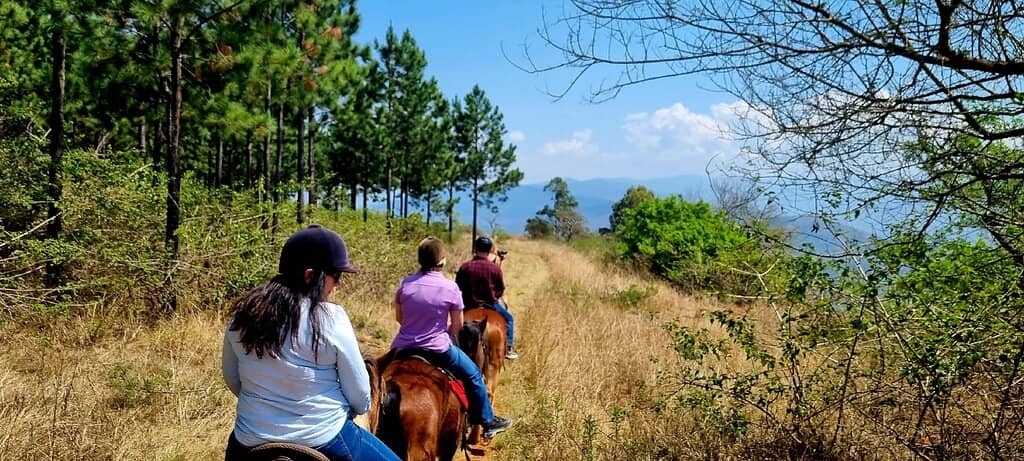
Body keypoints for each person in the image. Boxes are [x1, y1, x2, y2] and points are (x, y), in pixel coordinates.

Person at [221, 225, 400, 461]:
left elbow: (232, 378)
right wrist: (353, 410)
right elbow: (359, 393)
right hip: (326, 437)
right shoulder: (332, 317)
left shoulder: (243, 314)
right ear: (309, 275)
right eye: (336, 275)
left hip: (249, 439)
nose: (338, 284)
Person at [389, 236, 513, 438]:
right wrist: (438, 329)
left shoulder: (405, 284)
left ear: (420, 259)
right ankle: (487, 421)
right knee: (473, 374)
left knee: (376, 376)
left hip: (402, 347)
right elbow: (457, 327)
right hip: (438, 349)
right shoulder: (450, 288)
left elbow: (400, 319)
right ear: (442, 261)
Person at [455, 235, 519, 360]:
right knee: (509, 319)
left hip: (469, 305)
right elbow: (500, 288)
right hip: (491, 305)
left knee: (454, 324)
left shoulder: (465, 267)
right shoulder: (494, 268)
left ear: (475, 248)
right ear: (489, 249)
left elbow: (458, 288)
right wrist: (495, 296)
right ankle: (509, 348)